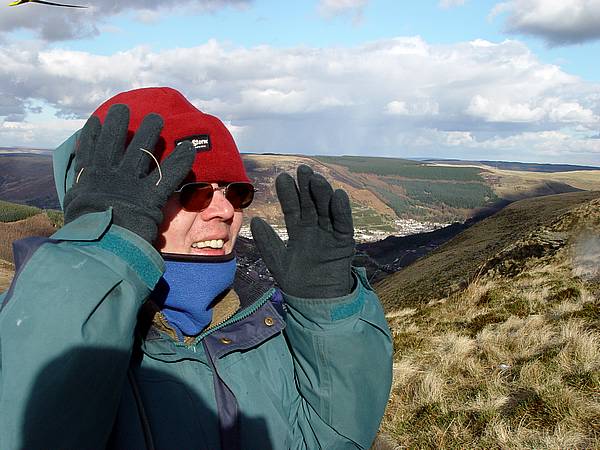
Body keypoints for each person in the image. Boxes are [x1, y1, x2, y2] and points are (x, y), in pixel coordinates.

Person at [0, 87, 393, 450]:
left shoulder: (269, 324)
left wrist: (330, 318)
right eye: (194, 192)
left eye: (235, 191)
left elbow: (330, 440)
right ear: (121, 208)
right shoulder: (43, 334)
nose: (225, 211)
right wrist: (94, 255)